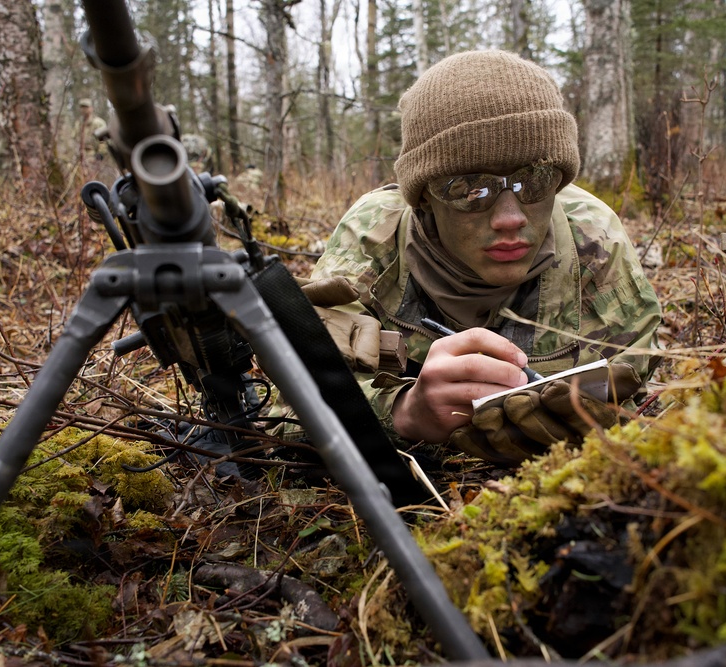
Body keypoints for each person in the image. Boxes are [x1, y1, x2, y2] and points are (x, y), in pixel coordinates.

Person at [279, 50, 662, 466]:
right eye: (469, 189)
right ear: (424, 195)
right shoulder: (374, 238)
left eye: (535, 181)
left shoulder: (593, 236)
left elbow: (637, 380)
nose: (510, 218)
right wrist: (405, 412)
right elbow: (290, 407)